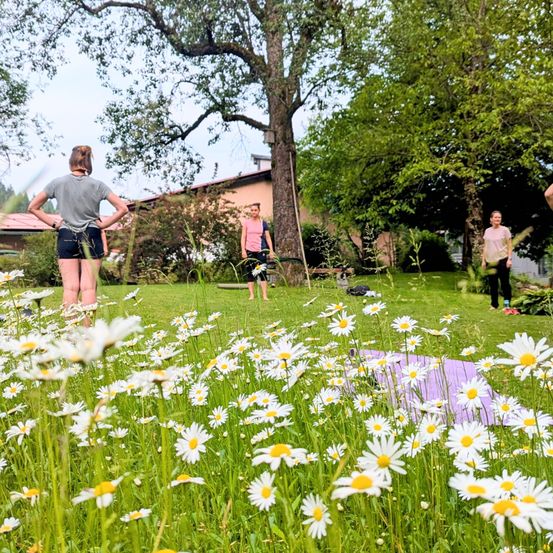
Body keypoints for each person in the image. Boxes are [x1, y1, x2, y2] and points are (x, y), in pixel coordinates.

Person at [28, 145, 128, 318]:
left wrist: (55, 224)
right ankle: (88, 335)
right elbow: (123, 208)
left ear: (71, 161)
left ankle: (71, 336)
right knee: (88, 287)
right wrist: (103, 226)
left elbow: (33, 207)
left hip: (66, 234)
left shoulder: (57, 183)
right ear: (89, 162)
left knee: (70, 288)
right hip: (91, 233)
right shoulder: (98, 185)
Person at [241, 202, 275, 300]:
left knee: (262, 273)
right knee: (250, 273)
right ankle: (251, 295)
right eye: (251, 210)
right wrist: (243, 250)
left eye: (255, 210)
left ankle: (265, 296)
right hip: (249, 251)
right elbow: (243, 237)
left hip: (261, 250)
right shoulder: (246, 223)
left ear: (259, 211)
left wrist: (271, 251)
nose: (253, 212)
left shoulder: (263, 223)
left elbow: (268, 238)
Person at [481, 210, 513, 312]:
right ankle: (494, 305)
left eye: (499, 217)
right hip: (491, 261)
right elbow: (485, 247)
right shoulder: (487, 231)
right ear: (491, 219)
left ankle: (507, 304)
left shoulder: (505, 230)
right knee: (493, 284)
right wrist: (483, 261)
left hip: (503, 260)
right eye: (495, 217)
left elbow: (509, 246)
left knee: (505, 283)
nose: (497, 219)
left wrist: (509, 259)